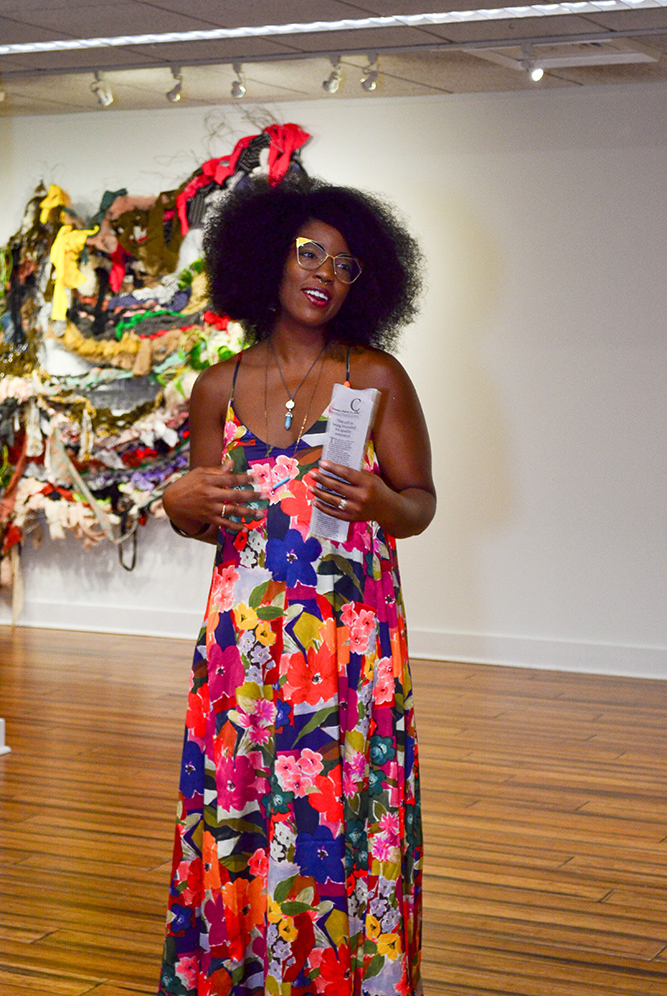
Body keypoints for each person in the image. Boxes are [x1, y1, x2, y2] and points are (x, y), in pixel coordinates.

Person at [158, 176, 436, 996]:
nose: (325, 274)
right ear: (264, 259)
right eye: (309, 253)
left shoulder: (375, 377)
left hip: (348, 651)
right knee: (240, 817)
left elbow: (419, 505)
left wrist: (381, 501)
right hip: (240, 655)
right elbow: (206, 519)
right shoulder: (216, 388)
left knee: (341, 817)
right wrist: (176, 504)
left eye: (346, 265)